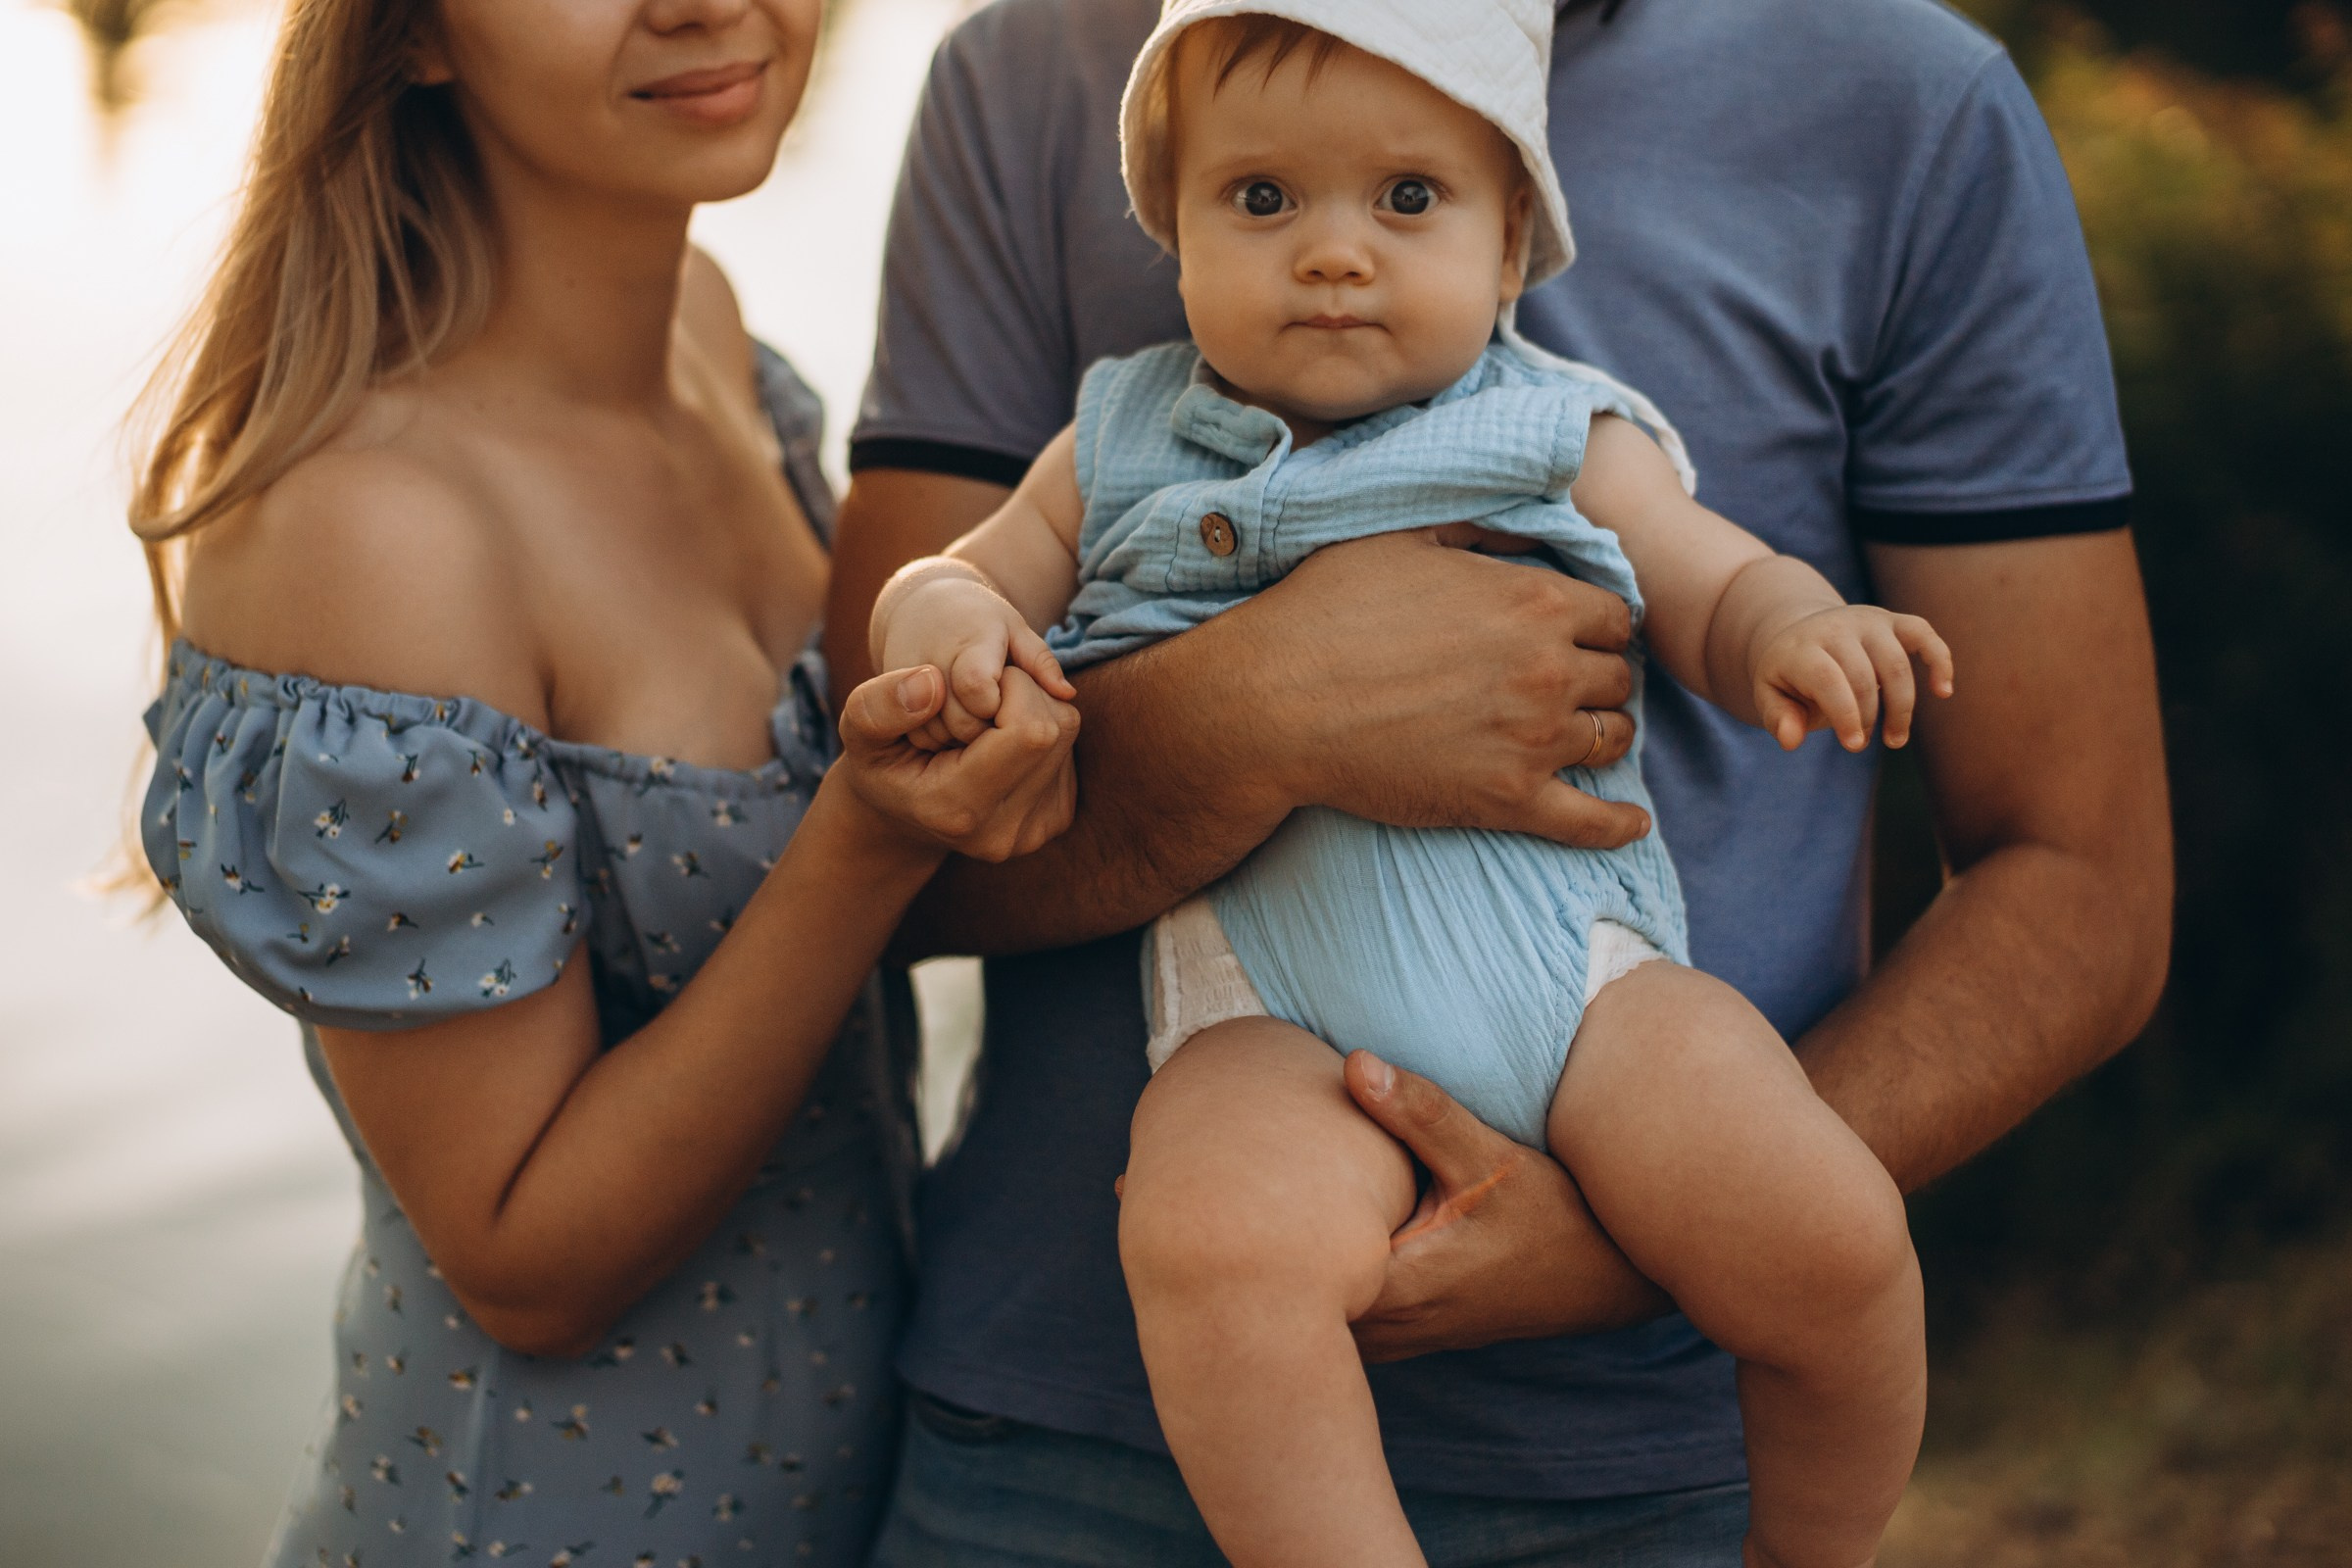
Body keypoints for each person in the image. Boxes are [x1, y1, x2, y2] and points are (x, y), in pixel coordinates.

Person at [828, 0, 2174, 1561]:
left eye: (1409, 200)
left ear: (1513, 238)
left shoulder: (1555, 426)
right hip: (1262, 1022)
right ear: (1172, 230)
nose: (1336, 254)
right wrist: (955, 630)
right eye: (1261, 200)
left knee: (1826, 1226)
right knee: (1208, 1244)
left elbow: (1713, 578)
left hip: (1579, 993)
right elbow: (942, 600)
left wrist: (1800, 632)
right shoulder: (1118, 433)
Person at [122, 0, 1076, 1563]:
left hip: (868, 1499)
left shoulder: (707, 333)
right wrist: (863, 837)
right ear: (411, 35)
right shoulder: (375, 524)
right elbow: (523, 1260)